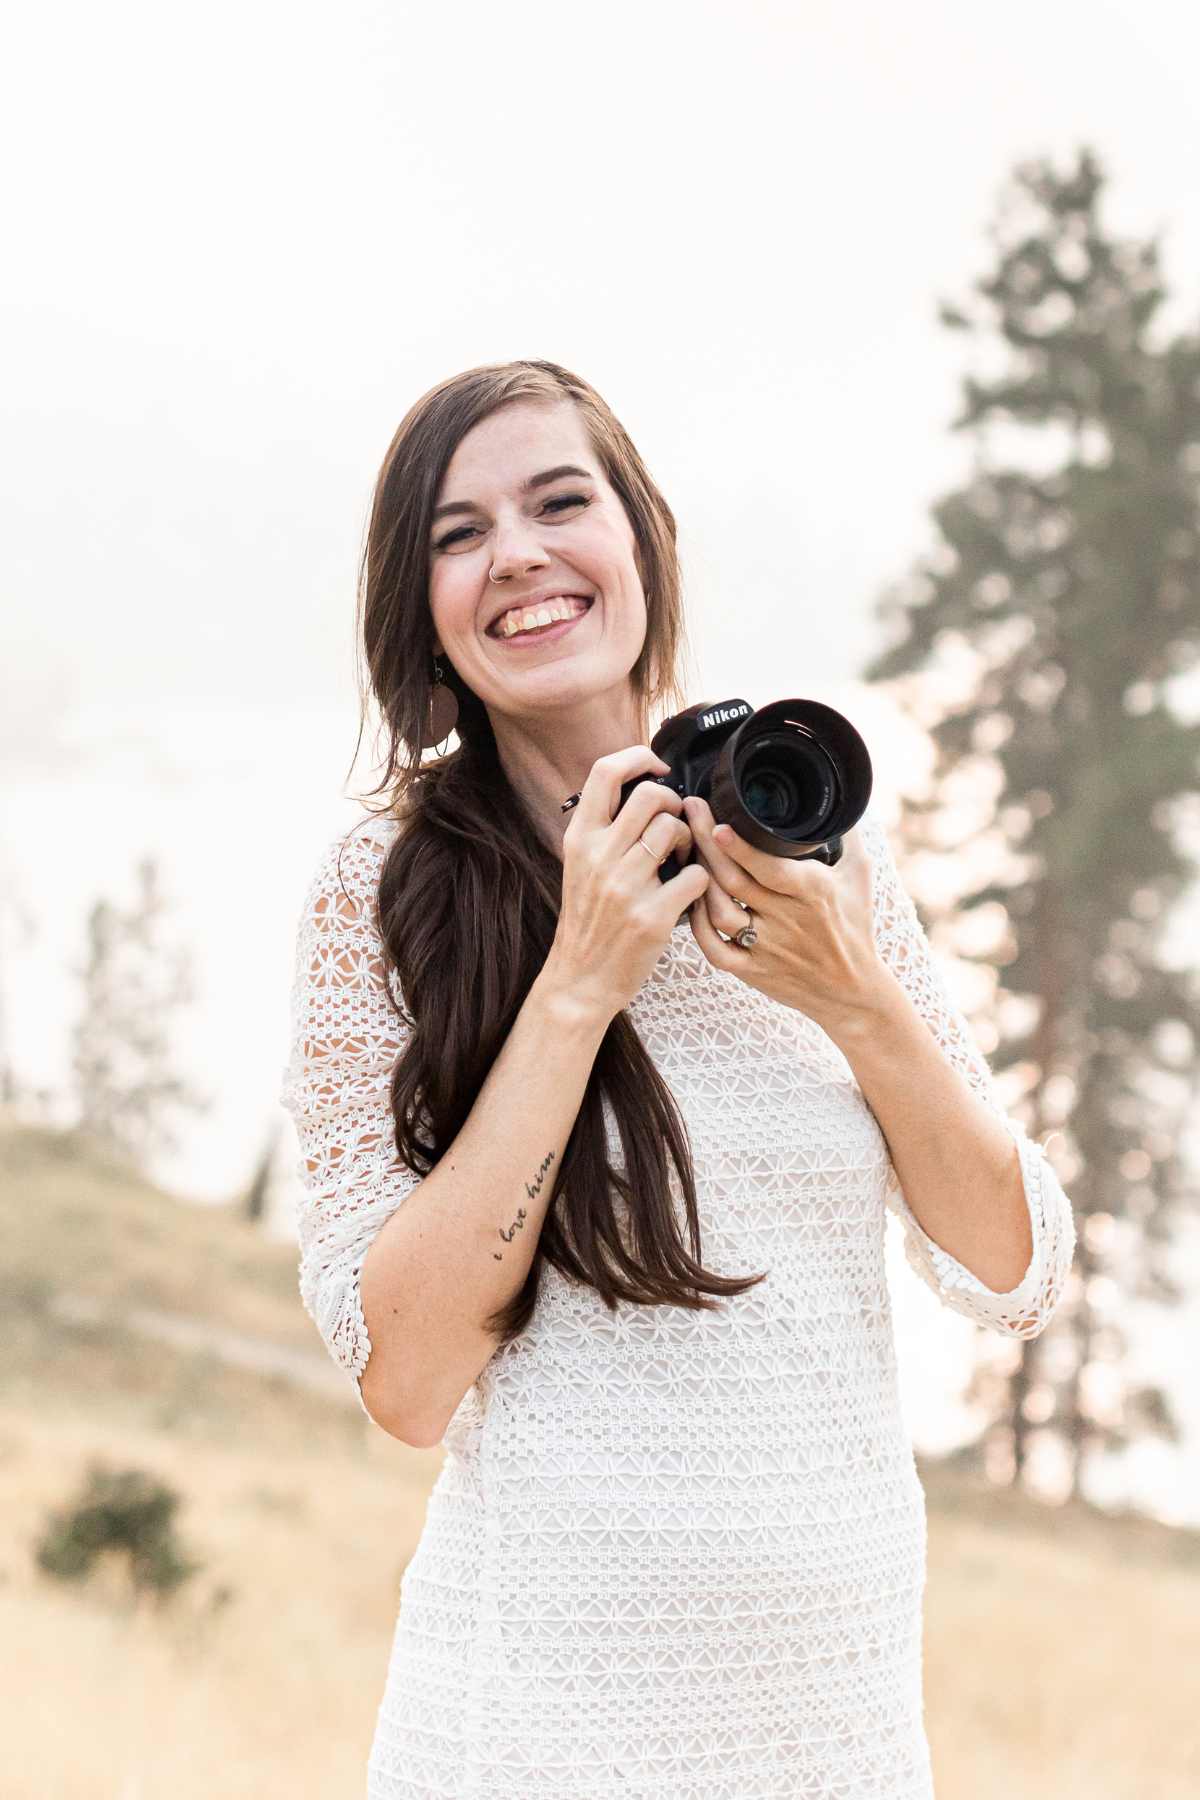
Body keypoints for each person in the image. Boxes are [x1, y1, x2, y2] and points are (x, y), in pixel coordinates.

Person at [278, 359, 1077, 1799]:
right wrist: (580, 977)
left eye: (559, 502)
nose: (517, 553)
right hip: (542, 1731)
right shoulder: (384, 895)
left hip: (837, 1731)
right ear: (427, 613)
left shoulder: (821, 856)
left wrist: (857, 1001)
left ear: (641, 537)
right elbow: (403, 1375)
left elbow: (1013, 1270)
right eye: (459, 535)